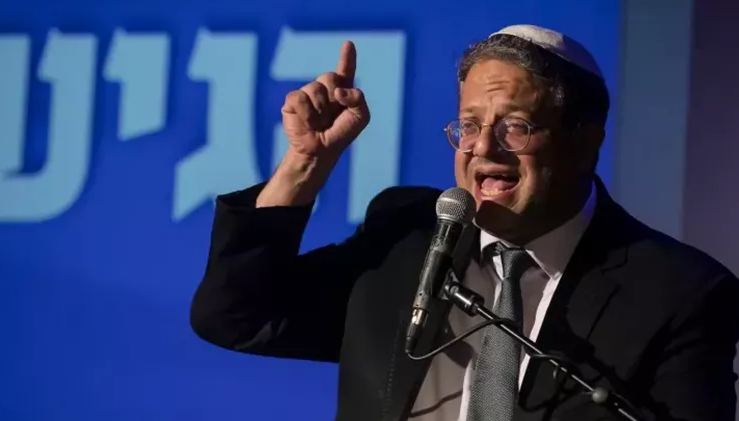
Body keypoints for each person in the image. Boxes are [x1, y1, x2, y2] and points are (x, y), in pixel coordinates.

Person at [190, 24, 739, 421]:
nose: (483, 149)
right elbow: (237, 317)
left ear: (585, 140)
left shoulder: (677, 291)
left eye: (516, 126)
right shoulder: (406, 234)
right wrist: (305, 164)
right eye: (469, 125)